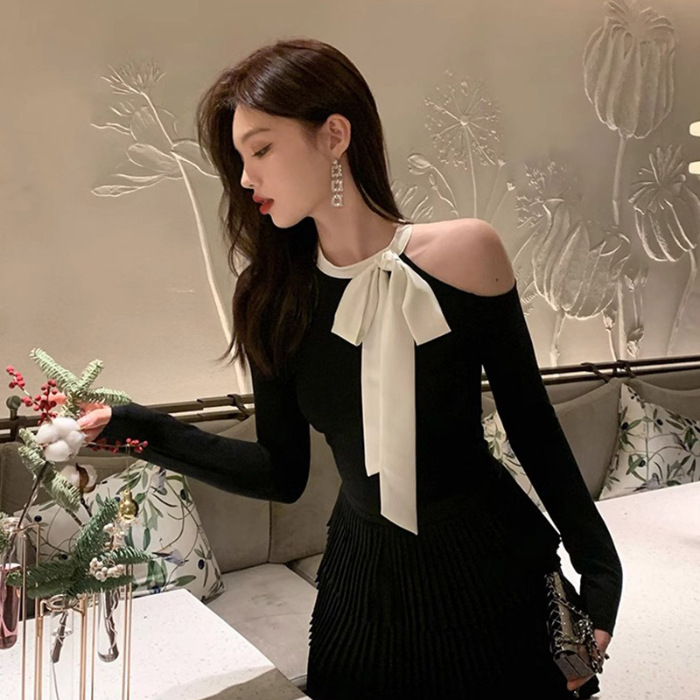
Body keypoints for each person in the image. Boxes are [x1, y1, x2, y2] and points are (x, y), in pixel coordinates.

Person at [71, 37, 622, 699]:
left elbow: (532, 425)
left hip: (493, 562)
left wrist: (602, 572)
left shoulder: (469, 253)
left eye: (261, 150)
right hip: (364, 581)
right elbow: (280, 472)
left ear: (334, 135)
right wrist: (137, 427)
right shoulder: (271, 297)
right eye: (239, 159)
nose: (245, 179)